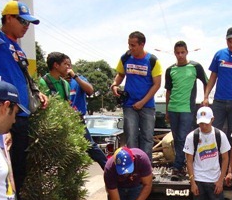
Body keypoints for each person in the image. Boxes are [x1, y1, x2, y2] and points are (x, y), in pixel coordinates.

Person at [0, 1, 48, 200]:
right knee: (6, 172)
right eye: (22, 20)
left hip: (21, 116)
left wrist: (37, 92)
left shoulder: (18, 48)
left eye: (29, 22)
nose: (26, 26)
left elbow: (23, 77)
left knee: (19, 172)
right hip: (2, 117)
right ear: (7, 19)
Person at [110, 31, 162, 160]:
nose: (130, 48)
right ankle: (133, 168)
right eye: (129, 45)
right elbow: (120, 74)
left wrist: (143, 102)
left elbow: (157, 84)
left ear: (142, 44)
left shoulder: (152, 60)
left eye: (133, 45)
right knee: (131, 137)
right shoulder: (125, 58)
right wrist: (115, 84)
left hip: (147, 106)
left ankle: (146, 167)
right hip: (129, 105)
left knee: (147, 138)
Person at [165, 41, 207, 179]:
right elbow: (168, 91)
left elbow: (207, 82)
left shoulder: (195, 66)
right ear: (174, 53)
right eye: (177, 53)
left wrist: (205, 98)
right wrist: (166, 110)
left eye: (182, 52)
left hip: (187, 108)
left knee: (184, 137)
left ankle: (177, 167)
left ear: (187, 52)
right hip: (173, 108)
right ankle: (182, 164)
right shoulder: (170, 70)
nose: (180, 55)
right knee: (177, 139)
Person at [64, 57, 107, 170]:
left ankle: (108, 168)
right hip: (62, 120)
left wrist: (75, 77)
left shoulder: (78, 80)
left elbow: (90, 90)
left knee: (90, 146)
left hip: (77, 119)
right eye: (65, 65)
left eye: (69, 65)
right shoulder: (57, 82)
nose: (67, 67)